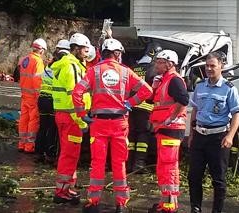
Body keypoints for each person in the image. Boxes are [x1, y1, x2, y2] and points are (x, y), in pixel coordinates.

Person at [73, 38, 152, 213]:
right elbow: (148, 90)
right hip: (119, 124)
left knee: (98, 163)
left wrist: (82, 114)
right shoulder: (126, 72)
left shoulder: (94, 71)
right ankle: (121, 203)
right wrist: (130, 103)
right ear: (117, 53)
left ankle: (93, 202)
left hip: (98, 123)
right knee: (119, 163)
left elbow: (77, 92)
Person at [187, 52, 239, 213]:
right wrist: (191, 134)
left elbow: (236, 114)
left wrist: (230, 136)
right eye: (207, 66)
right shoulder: (200, 86)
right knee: (194, 176)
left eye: (213, 65)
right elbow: (195, 110)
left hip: (218, 138)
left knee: (218, 179)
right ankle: (195, 208)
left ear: (221, 66)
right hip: (199, 136)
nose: (209, 69)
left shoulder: (229, 89)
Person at [51, 33, 93, 204]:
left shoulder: (69, 64)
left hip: (65, 116)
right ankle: (62, 192)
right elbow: (73, 96)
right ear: (75, 49)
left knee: (69, 154)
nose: (86, 52)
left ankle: (67, 187)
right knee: (69, 155)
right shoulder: (71, 67)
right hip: (72, 118)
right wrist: (82, 120)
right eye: (84, 49)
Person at [147, 50, 190, 213]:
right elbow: (152, 100)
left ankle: (170, 204)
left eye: (160, 62)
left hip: (171, 129)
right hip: (164, 128)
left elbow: (184, 100)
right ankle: (165, 201)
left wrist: (171, 117)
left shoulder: (174, 80)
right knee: (164, 166)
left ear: (169, 64)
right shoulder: (164, 80)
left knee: (169, 166)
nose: (156, 65)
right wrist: (155, 86)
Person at [129, 45, 163, 173]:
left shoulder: (133, 68)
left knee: (132, 136)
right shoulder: (154, 70)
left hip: (131, 107)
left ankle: (128, 163)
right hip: (146, 107)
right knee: (143, 135)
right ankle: (139, 164)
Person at [35, 39, 69, 163]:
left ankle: (38, 152)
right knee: (52, 129)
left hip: (42, 99)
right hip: (53, 101)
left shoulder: (49, 65)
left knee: (42, 127)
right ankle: (50, 155)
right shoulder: (61, 67)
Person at [17, 38, 48, 153]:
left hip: (24, 95)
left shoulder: (25, 59)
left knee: (23, 119)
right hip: (33, 96)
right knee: (33, 120)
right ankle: (29, 146)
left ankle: (21, 143)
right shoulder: (38, 62)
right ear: (42, 50)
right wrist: (39, 96)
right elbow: (37, 81)